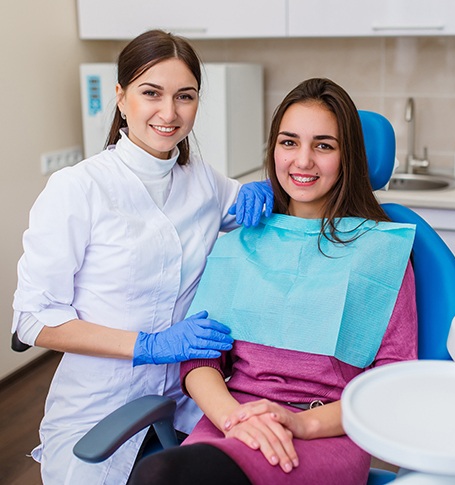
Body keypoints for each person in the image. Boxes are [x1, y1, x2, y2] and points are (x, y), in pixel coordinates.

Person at [11, 30, 273, 484]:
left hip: (187, 398)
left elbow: (247, 207)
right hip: (100, 405)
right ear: (121, 97)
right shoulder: (78, 189)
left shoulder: (201, 181)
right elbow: (33, 322)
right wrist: (149, 345)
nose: (169, 113)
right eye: (151, 93)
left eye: (184, 97)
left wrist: (263, 189)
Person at [128, 78, 418, 485]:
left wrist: (300, 425)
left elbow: (393, 382)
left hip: (325, 429)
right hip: (236, 420)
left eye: (323, 145)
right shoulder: (242, 240)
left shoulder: (380, 253)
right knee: (163, 475)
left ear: (346, 155)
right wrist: (234, 418)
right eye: (288, 142)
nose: (302, 161)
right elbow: (200, 359)